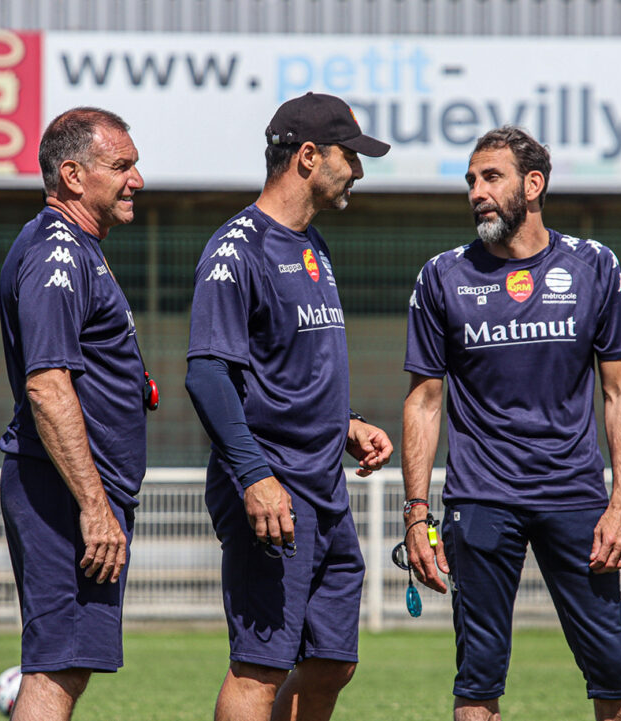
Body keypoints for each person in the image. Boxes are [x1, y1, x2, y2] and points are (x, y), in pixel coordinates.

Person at [401, 126, 621, 721]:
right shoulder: (442, 276)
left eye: (492, 177)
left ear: (533, 184)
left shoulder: (593, 265)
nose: (477, 192)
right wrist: (415, 513)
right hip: (480, 501)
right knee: (478, 680)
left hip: (576, 498)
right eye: (471, 181)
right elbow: (424, 402)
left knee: (613, 675)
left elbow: (620, 391)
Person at [185, 92, 395, 721]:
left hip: (324, 485)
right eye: (349, 157)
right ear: (308, 156)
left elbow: (290, 363)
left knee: (334, 660)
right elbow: (208, 374)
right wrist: (255, 477)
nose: (357, 171)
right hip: (272, 487)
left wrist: (347, 423)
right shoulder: (238, 249)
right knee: (261, 666)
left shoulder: (313, 246)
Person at [0, 107, 150, 721]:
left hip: (78, 491)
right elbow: (47, 386)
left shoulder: (78, 249)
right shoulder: (57, 254)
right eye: (122, 166)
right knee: (57, 664)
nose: (136, 180)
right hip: (62, 493)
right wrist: (93, 505)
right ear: (73, 174)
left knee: (70, 662)